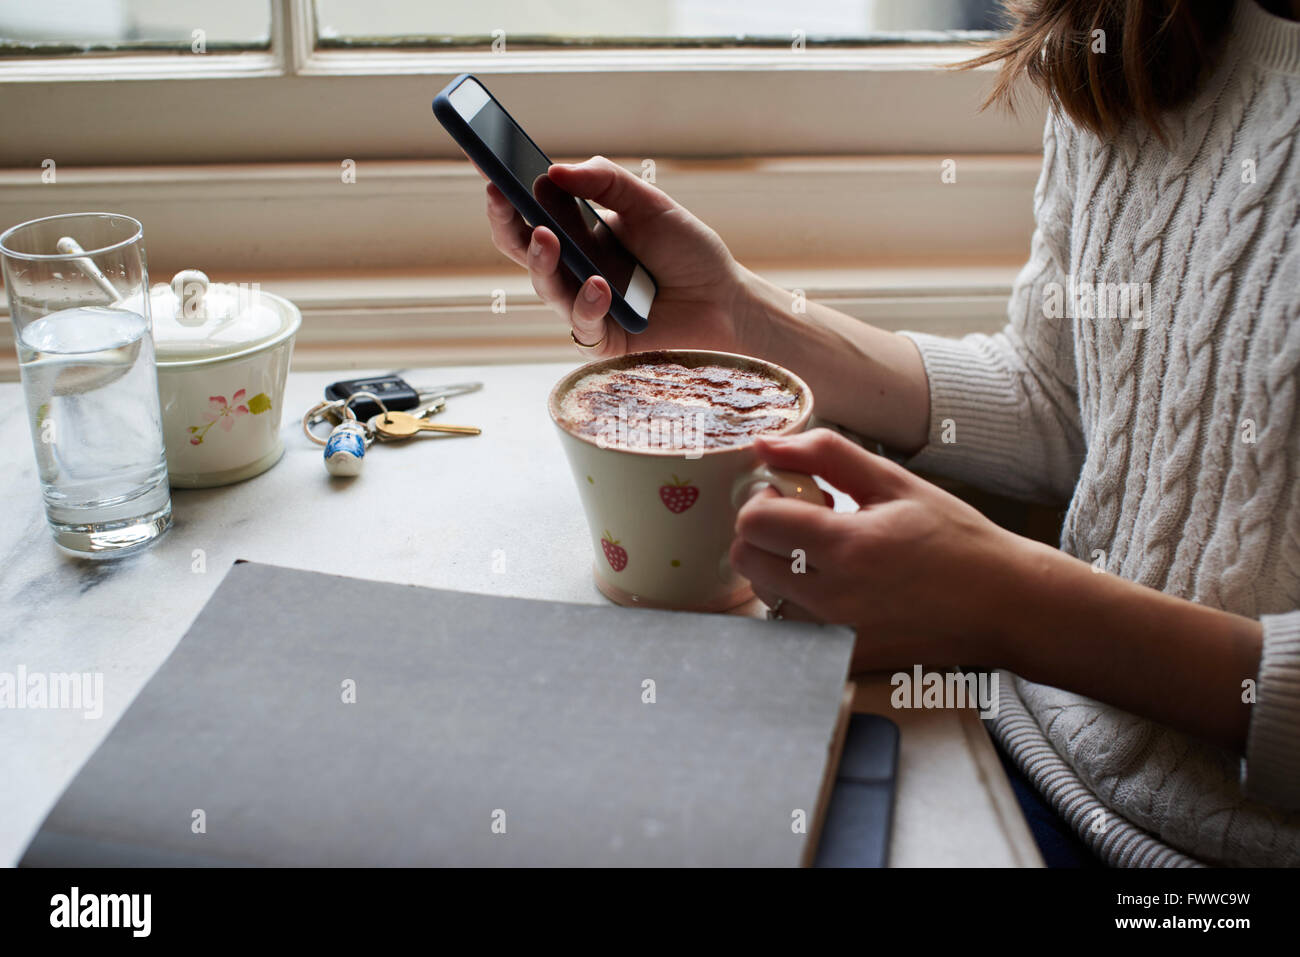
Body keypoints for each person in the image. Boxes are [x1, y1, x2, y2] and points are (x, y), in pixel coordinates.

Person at [479, 0, 1300, 866]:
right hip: (1023, 752)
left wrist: (1007, 607)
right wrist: (741, 318)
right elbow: (1065, 402)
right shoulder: (1133, 25)